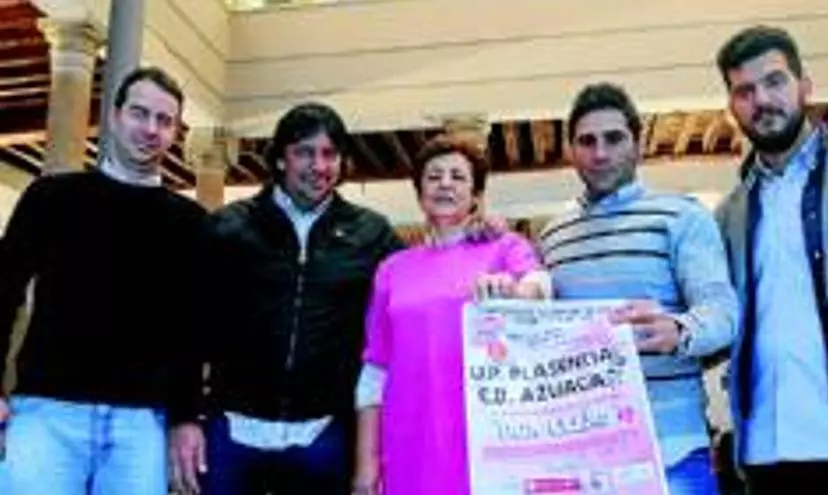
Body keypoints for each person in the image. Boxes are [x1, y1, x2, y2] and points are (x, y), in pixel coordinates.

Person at [169, 102, 404, 495]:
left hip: (324, 438)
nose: (319, 166)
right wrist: (184, 417)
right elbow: (186, 328)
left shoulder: (372, 234)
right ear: (280, 158)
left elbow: (419, 285)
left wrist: (477, 241)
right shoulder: (228, 227)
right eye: (304, 152)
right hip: (230, 433)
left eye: (329, 154)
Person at [0, 67, 207, 494]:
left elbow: (190, 332)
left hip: (141, 424)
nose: (150, 129)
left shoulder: (190, 223)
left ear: (175, 133)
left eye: (164, 121)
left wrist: (185, 417)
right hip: (48, 413)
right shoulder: (51, 197)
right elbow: (2, 292)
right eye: (139, 113)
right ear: (114, 116)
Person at [537, 83, 739, 495]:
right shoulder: (552, 236)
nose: (600, 153)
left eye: (614, 138)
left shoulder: (682, 217)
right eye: (586, 141)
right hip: (579, 457)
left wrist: (678, 330)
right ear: (570, 150)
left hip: (671, 450)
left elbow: (723, 312)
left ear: (638, 143)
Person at [713, 25, 828, 492]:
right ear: (732, 107)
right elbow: (721, 321)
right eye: (744, 91)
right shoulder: (728, 215)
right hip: (766, 449)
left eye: (774, 81)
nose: (762, 100)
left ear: (805, 86)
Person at [352, 135, 548, 495]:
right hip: (409, 438)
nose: (445, 184)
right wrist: (366, 464)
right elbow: (375, 371)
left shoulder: (505, 247)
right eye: (434, 176)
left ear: (475, 195)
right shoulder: (392, 269)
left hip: (488, 438)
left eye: (458, 177)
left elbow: (540, 287)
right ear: (419, 193)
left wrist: (516, 291)